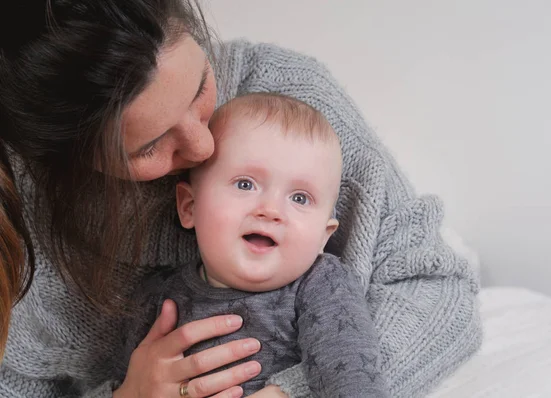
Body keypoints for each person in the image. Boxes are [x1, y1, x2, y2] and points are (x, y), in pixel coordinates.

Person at [0, 0, 482, 397]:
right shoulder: (29, 210)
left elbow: (437, 288)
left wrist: (294, 391)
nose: (205, 147)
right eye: (148, 146)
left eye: (200, 88)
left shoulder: (292, 99)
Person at [117, 93, 390, 397]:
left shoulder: (322, 285)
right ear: (190, 207)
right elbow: (134, 382)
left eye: (300, 198)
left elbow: (353, 376)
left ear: (323, 236)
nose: (270, 210)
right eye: (245, 184)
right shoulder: (155, 296)